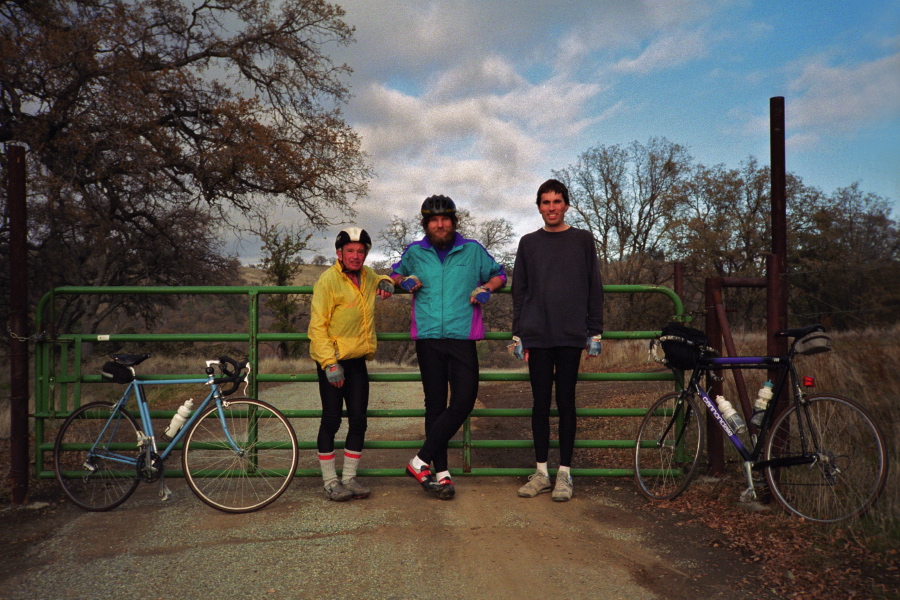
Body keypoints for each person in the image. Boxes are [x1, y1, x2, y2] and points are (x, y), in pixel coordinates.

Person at [391, 195, 507, 500]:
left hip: (462, 336)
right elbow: (395, 273)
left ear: (454, 222)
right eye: (433, 220)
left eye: (445, 219)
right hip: (428, 336)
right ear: (426, 224)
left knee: (464, 401)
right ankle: (441, 475)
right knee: (435, 405)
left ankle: (419, 461)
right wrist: (404, 280)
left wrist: (485, 288)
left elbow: (500, 274)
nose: (439, 224)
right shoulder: (415, 252)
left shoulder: (472, 250)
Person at [510, 179, 604, 502]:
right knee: (539, 404)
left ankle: (564, 473)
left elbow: (595, 286)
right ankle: (541, 473)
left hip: (569, 335)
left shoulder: (582, 240)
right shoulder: (528, 243)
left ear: (566, 205)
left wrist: (595, 331)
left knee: (566, 402)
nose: (551, 207)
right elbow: (519, 290)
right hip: (536, 335)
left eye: (557, 201)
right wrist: (518, 332)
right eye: (545, 202)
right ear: (538, 206)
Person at [308, 227, 395, 501]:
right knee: (331, 420)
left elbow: (380, 276)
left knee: (359, 420)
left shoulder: (367, 276)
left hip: (358, 360)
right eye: (350, 251)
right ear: (339, 254)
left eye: (361, 251)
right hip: (333, 363)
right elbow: (317, 327)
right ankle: (330, 481)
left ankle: (349, 478)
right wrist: (329, 363)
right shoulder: (327, 281)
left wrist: (386, 281)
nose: (356, 256)